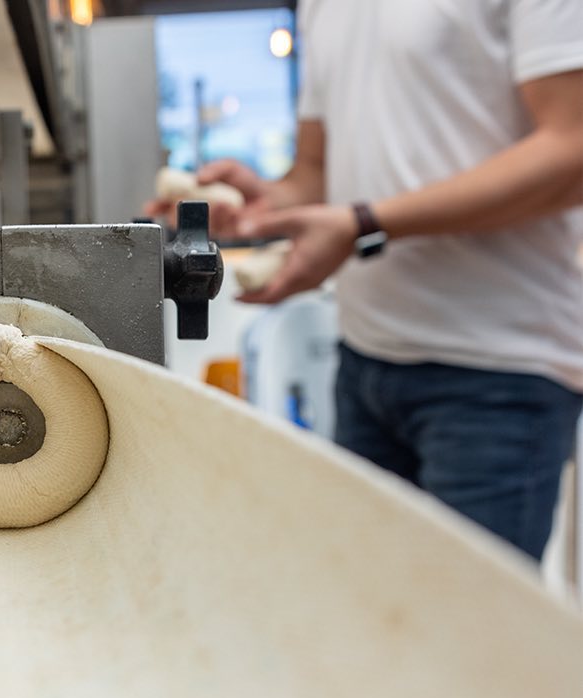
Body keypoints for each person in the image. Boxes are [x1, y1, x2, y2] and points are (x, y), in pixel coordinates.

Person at [157, 0, 583, 562]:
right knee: (371, 605)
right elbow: (317, 171)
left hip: (497, 369)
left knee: (466, 614)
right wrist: (266, 204)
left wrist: (364, 224)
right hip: (364, 359)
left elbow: (571, 149)